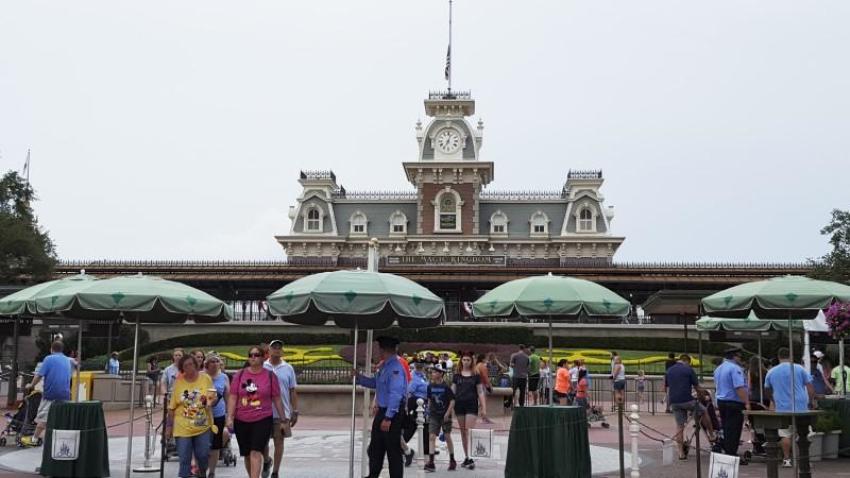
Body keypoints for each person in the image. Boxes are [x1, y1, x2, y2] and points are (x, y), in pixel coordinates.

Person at [226, 346, 285, 478]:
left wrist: (283, 419)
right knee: (247, 454)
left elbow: (276, 398)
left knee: (256, 451)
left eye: (256, 355)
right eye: (250, 355)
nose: (253, 357)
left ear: (263, 357)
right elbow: (233, 396)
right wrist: (229, 417)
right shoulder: (240, 375)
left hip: (263, 418)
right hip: (241, 419)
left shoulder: (270, 376)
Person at [354, 336, 409, 478]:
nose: (378, 352)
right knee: (375, 448)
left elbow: (396, 394)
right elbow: (376, 383)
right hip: (383, 411)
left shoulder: (395, 368)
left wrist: (388, 417)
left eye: (379, 349)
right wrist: (359, 378)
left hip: (392, 413)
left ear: (384, 350)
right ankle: (373, 474)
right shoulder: (385, 366)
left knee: (393, 450)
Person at [764, 347, 815, 468]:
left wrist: (772, 399)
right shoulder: (799, 368)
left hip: (782, 405)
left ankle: (787, 459)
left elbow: (766, 389)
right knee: (803, 433)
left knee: (785, 434)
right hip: (800, 405)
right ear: (790, 356)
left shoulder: (771, 371)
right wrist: (811, 401)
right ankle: (803, 459)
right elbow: (810, 387)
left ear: (778, 357)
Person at [166, 354, 214, 478]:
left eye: (191, 364)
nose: (189, 367)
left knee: (203, 455)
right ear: (182, 368)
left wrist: (209, 402)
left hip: (202, 425)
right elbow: (171, 407)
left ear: (196, 365)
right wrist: (169, 427)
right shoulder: (179, 383)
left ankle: (202, 472)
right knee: (184, 459)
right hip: (182, 427)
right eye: (185, 366)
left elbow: (212, 396)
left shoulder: (205, 378)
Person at [263, 339, 299, 478]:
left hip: (282, 412)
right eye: (274, 347)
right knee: (262, 443)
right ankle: (266, 461)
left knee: (279, 441)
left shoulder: (288, 368)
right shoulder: (263, 366)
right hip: (263, 411)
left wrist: (295, 411)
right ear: (269, 350)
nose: (277, 350)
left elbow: (292, 391)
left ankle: (275, 471)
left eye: (279, 347)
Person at [26, 340, 72, 444]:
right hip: (65, 394)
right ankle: (61, 440)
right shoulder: (67, 360)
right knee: (60, 418)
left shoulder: (48, 359)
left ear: (51, 349)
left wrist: (31, 385)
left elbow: (39, 375)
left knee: (43, 417)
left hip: (51, 394)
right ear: (62, 350)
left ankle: (34, 439)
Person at [665, 354, 703, 460]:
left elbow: (667, 387)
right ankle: (712, 435)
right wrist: (702, 397)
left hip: (674, 401)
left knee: (679, 427)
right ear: (688, 361)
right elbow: (697, 387)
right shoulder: (688, 369)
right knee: (704, 411)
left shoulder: (670, 370)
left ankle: (681, 453)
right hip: (687, 400)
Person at [452, 351, 486, 470]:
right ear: (461, 360)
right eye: (464, 360)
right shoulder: (456, 375)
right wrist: (449, 408)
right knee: (462, 432)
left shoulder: (475, 375)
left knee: (468, 431)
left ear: (472, 361)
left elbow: (480, 392)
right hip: (459, 405)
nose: (465, 362)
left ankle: (471, 456)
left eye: (468, 360)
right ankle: (467, 457)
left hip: (471, 405)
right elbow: (452, 392)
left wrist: (484, 408)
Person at [713, 348, 750, 457]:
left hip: (722, 401)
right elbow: (739, 387)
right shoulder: (735, 369)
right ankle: (731, 454)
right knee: (734, 430)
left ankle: (727, 450)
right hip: (734, 402)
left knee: (726, 428)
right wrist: (746, 403)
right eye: (739, 357)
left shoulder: (718, 368)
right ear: (734, 356)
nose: (740, 359)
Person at [424, 365, 455, 472]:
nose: (432, 374)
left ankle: (452, 460)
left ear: (441, 374)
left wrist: (448, 413)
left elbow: (452, 401)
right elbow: (429, 399)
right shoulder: (430, 386)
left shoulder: (446, 387)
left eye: (435, 372)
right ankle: (431, 462)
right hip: (434, 414)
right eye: (432, 372)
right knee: (432, 436)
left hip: (445, 414)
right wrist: (427, 411)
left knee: (447, 436)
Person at [402, 360, 429, 466]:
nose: (420, 367)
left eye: (421, 365)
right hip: (415, 403)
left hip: (423, 404)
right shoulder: (414, 377)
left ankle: (426, 448)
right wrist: (407, 407)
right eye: (418, 365)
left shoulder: (423, 376)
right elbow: (409, 392)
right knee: (411, 426)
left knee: (426, 426)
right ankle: (402, 446)